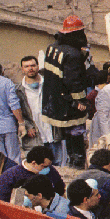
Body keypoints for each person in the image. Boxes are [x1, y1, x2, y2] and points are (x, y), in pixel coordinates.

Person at [41, 15, 98, 167]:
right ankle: (77, 165)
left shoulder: (52, 48)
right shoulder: (73, 54)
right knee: (76, 135)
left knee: (66, 137)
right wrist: (81, 101)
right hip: (70, 106)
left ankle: (71, 162)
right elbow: (74, 82)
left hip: (54, 102)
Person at [16, 54, 62, 160]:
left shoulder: (50, 84)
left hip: (52, 132)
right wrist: (27, 126)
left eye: (32, 65)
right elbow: (17, 112)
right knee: (37, 165)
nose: (30, 68)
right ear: (22, 69)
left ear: (37, 66)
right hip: (34, 135)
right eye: (26, 66)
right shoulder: (18, 90)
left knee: (57, 164)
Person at [0, 145, 64, 204]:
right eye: (44, 166)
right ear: (33, 163)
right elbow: (2, 201)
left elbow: (60, 190)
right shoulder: (10, 176)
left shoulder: (50, 171)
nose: (47, 168)